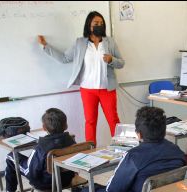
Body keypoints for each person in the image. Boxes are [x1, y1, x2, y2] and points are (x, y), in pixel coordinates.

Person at [68, 106, 184, 192]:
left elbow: (113, 190)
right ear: (164, 130)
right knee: (102, 189)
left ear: (138, 135)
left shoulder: (133, 156)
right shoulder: (176, 150)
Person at [39, 11, 124, 144]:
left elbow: (121, 63)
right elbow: (64, 58)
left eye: (101, 23)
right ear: (89, 25)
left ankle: (122, 148)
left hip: (107, 89)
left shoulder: (110, 42)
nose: (99, 25)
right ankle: (91, 152)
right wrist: (46, 46)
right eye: (96, 23)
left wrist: (111, 59)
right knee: (90, 122)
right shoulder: (80, 43)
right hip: (87, 90)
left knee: (113, 120)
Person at [2, 108, 76, 192]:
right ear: (66, 125)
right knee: (37, 162)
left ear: (44, 128)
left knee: (11, 156)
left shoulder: (41, 147)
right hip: (67, 179)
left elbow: (31, 173)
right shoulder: (72, 141)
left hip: (45, 183)